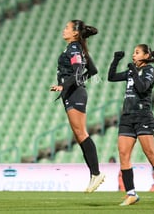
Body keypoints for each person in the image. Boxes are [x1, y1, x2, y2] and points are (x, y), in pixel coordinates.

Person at [108, 44, 154, 206]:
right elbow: (111, 77)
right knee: (123, 154)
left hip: (143, 116)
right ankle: (131, 194)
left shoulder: (149, 70)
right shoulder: (132, 71)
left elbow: (142, 87)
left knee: (150, 153)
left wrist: (134, 71)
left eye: (137, 53)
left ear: (146, 56)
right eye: (133, 52)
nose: (133, 55)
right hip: (127, 117)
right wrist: (116, 60)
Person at [50, 20, 105, 192]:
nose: (64, 29)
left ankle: (96, 173)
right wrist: (74, 83)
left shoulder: (74, 48)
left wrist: (65, 85)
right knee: (79, 135)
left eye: (67, 27)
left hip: (74, 93)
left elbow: (77, 72)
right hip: (73, 93)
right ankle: (94, 175)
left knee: (81, 133)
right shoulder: (77, 48)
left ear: (75, 33)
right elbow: (93, 70)